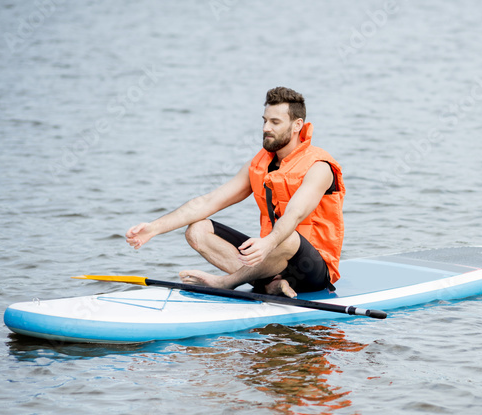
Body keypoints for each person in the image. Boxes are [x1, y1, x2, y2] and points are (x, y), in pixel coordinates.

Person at [126, 87, 345, 298]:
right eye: (265, 120)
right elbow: (208, 201)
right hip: (270, 259)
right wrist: (153, 229)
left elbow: (294, 214)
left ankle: (226, 282)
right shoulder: (260, 164)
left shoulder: (319, 167)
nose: (266, 128)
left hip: (313, 269)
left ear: (297, 125)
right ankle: (271, 284)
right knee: (197, 229)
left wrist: (268, 243)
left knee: (287, 237)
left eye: (275, 122)